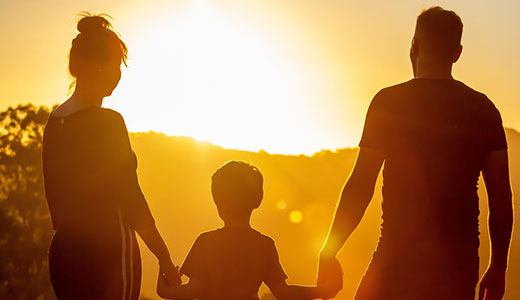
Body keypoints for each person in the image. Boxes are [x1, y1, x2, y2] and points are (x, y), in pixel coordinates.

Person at [318, 6, 513, 300]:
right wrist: (499, 268)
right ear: (457, 52)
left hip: (396, 258)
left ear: (414, 46)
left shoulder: (388, 102)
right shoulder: (484, 109)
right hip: (458, 265)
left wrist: (329, 250)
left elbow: (360, 184)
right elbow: (501, 200)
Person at [42, 14, 181, 300]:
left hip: (64, 254)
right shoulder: (108, 122)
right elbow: (131, 199)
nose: (119, 75)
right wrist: (164, 257)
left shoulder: (54, 123)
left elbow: (54, 198)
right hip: (108, 255)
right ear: (101, 68)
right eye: (117, 66)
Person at [157, 161, 341, 300]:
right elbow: (283, 292)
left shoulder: (206, 242)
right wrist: (323, 290)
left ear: (217, 202)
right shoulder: (264, 245)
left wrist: (164, 291)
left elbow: (193, 290)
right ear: (257, 201)